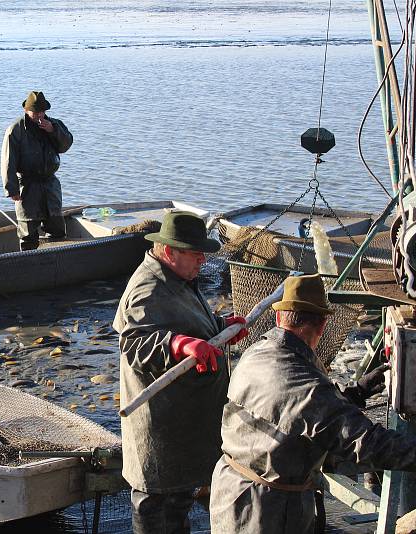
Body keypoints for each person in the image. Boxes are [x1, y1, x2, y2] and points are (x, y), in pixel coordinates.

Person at [209, 274, 416, 534]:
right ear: (321, 326)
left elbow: (293, 413)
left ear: (278, 317)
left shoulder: (257, 352)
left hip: (230, 490)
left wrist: (357, 392)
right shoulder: (307, 385)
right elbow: (367, 443)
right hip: (267, 511)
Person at [113, 210, 248, 534]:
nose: (203, 259)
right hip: (159, 427)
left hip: (184, 424)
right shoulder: (148, 288)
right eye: (196, 253)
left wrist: (221, 327)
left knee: (178, 504)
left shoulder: (179, 277)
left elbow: (186, 320)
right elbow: (134, 345)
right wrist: (180, 345)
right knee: (154, 506)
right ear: (171, 251)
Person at [0, 91, 73, 251]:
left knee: (56, 228)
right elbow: (8, 162)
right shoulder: (15, 130)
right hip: (27, 186)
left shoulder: (54, 125)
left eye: (42, 112)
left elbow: (66, 145)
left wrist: (53, 131)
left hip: (50, 184)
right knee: (28, 232)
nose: (39, 115)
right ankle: (28, 264)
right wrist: (11, 189)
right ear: (27, 111)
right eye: (35, 112)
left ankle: (57, 263)